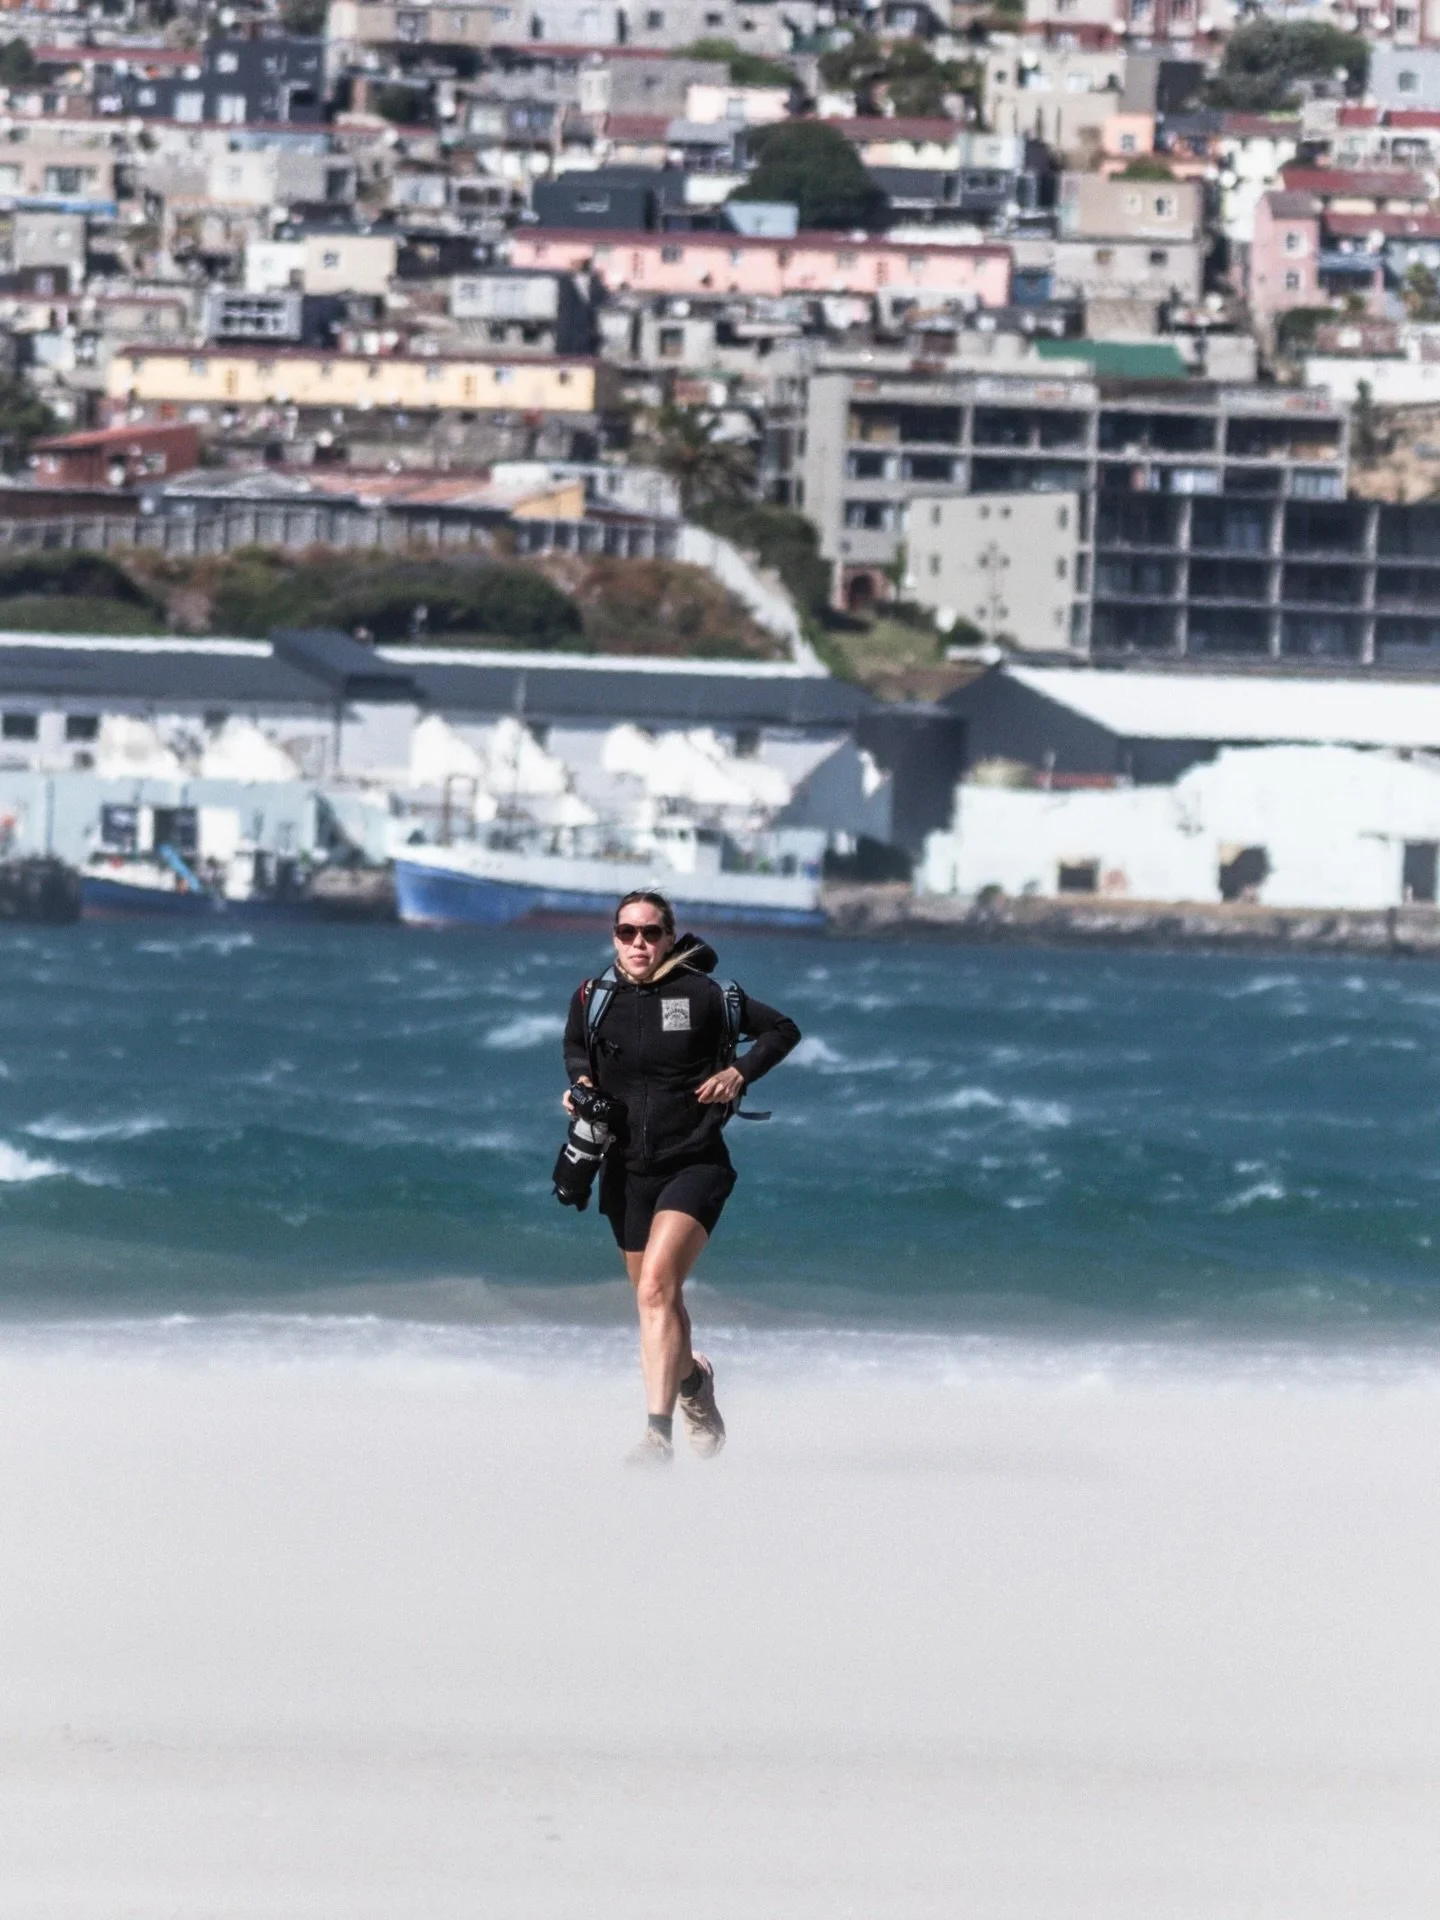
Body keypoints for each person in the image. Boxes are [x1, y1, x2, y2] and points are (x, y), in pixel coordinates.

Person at [562, 890, 800, 1466]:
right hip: (624, 1169)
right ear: (614, 936)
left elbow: (782, 1030)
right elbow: (576, 1050)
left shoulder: (706, 996)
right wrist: (580, 1089)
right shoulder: (594, 998)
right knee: (658, 1302)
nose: (638, 944)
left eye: (650, 933)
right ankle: (693, 1380)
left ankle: (656, 1435)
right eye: (627, 933)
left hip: (695, 1162)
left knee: (654, 1290)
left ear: (670, 936)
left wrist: (738, 1072)